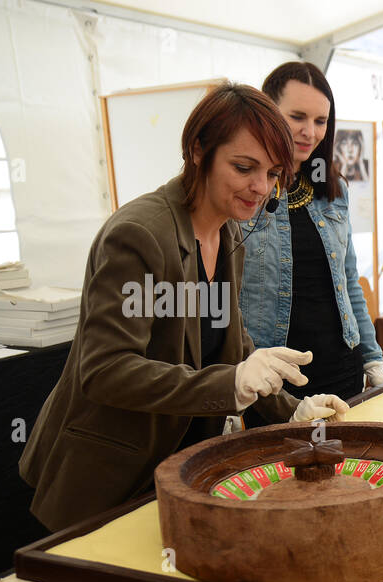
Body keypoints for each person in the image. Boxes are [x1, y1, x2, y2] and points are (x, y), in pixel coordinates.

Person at [19, 83, 349, 533]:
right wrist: (230, 383)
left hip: (177, 470)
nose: (260, 188)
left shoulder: (230, 234)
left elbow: (230, 345)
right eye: (243, 167)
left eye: (273, 173)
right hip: (106, 479)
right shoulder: (138, 235)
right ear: (198, 150)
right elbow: (106, 371)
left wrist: (290, 410)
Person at [240, 62, 383, 419]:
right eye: (297, 117)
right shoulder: (244, 192)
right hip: (274, 377)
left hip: (342, 367)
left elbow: (349, 283)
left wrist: (372, 359)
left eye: (321, 121)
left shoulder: (332, 190)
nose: (310, 132)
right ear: (267, 112)